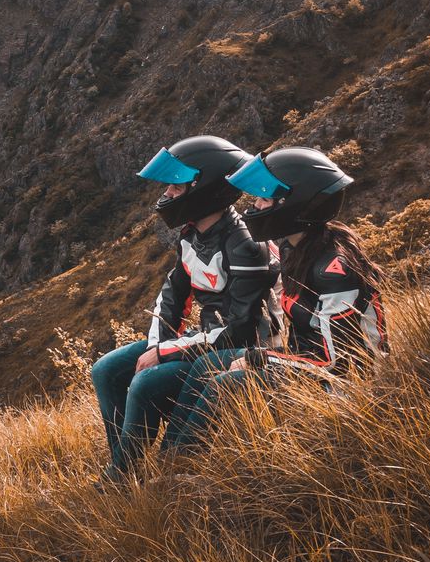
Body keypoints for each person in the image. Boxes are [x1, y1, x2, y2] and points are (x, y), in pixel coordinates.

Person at [162, 146, 388, 452]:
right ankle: (173, 456)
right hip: (310, 366)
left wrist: (260, 358)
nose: (254, 206)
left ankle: (184, 462)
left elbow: (339, 362)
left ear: (296, 205)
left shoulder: (335, 270)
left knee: (225, 381)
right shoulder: (296, 250)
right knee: (211, 366)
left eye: (264, 198)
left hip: (348, 386)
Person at [91, 135, 280, 482]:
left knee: (146, 381)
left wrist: (164, 353)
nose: (167, 195)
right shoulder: (192, 234)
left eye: (176, 188)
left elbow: (242, 328)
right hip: (201, 339)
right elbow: (172, 295)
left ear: (205, 187)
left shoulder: (245, 246)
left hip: (236, 347)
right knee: (105, 369)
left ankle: (122, 477)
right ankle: (127, 466)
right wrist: (155, 345)